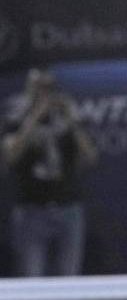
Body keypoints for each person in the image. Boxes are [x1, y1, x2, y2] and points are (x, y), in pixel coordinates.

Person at [1, 69, 98, 277]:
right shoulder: (16, 117)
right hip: (31, 209)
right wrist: (34, 117)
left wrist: (72, 121)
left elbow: (90, 156)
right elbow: (11, 155)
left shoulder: (68, 118)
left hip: (68, 207)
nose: (43, 94)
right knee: (32, 278)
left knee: (68, 277)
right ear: (29, 90)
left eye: (48, 88)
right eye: (38, 88)